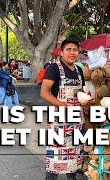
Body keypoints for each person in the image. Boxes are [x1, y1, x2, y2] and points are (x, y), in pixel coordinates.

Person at [40, 38, 87, 180]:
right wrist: (64, 106)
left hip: (76, 122)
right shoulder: (54, 68)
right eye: (68, 49)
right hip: (59, 122)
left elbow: (81, 92)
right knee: (54, 160)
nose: (72, 53)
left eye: (75, 50)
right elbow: (44, 93)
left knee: (73, 161)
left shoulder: (79, 70)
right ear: (61, 52)